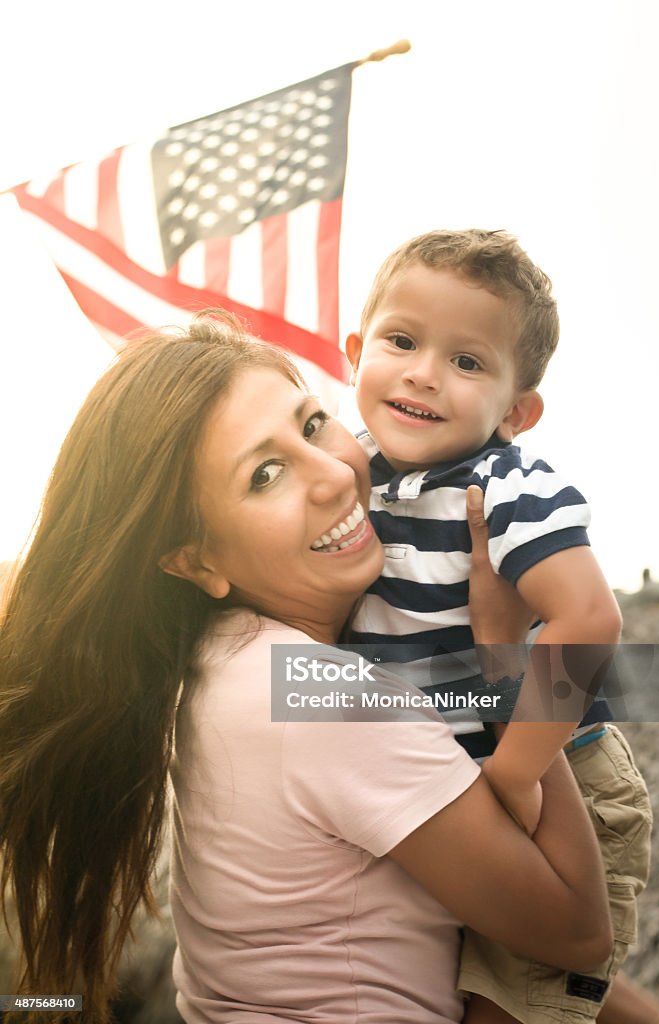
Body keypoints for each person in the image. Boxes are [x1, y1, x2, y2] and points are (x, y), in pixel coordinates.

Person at [0, 311, 612, 1024]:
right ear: (194, 560)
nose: (332, 477)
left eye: (313, 424)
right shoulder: (320, 696)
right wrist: (503, 656)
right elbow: (575, 932)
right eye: (265, 474)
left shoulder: (222, 660)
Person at [344, 229, 653, 1023]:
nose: (423, 372)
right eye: (401, 341)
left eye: (466, 361)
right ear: (355, 351)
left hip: (556, 776)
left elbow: (586, 617)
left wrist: (514, 772)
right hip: (454, 789)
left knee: (514, 1002)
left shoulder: (504, 484)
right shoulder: (350, 472)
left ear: (516, 411)